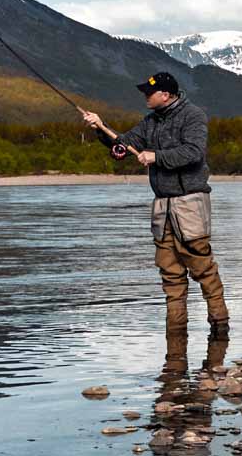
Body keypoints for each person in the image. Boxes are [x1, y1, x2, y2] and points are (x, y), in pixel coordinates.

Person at [80, 71, 229, 339]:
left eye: (149, 93)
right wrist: (101, 128)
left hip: (190, 204)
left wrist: (156, 157)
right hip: (162, 208)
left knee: (203, 269)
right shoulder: (150, 121)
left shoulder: (193, 116)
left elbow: (194, 152)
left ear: (165, 94)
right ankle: (176, 337)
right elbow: (123, 146)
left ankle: (220, 329)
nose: (145, 96)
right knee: (170, 275)